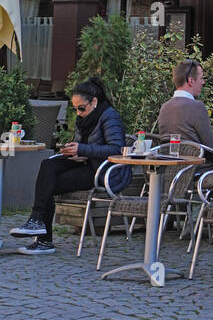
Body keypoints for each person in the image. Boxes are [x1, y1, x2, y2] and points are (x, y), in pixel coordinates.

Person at [13, 77, 130, 255]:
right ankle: (36, 222)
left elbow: (116, 148)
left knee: (48, 184)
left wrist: (82, 149)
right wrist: (72, 151)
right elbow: (81, 144)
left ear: (95, 102)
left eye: (81, 108)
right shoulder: (83, 118)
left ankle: (43, 238)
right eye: (75, 109)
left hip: (103, 170)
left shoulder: (109, 116)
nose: (78, 112)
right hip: (85, 162)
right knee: (48, 165)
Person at [156, 59, 213, 154]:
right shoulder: (197, 107)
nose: (203, 82)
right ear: (191, 81)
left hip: (168, 165)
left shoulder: (164, 107)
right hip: (197, 166)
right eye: (201, 78)